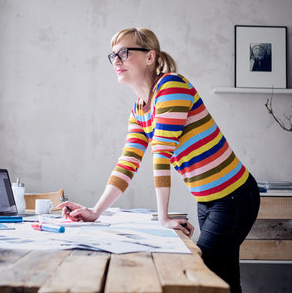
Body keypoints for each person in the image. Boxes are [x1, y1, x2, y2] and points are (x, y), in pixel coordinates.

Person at [58, 28, 260, 293]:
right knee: (225, 282)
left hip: (235, 197)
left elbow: (161, 152)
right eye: (113, 55)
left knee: (201, 278)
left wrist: (163, 218)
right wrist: (96, 212)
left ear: (150, 56)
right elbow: (127, 163)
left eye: (124, 53)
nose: (116, 61)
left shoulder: (171, 87)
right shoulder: (139, 110)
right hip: (208, 201)